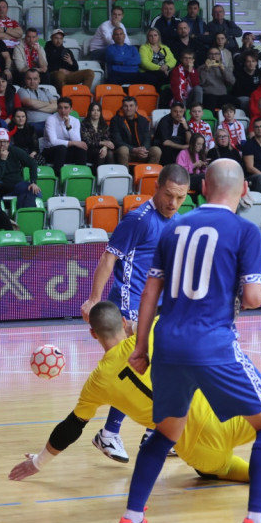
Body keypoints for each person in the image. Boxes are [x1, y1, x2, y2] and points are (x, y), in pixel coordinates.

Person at [9, 301, 261, 489]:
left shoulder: (97, 382)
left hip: (194, 446)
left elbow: (71, 428)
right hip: (227, 414)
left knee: (212, 470)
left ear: (93, 336)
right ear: (125, 323)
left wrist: (38, 462)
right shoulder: (151, 336)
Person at [117, 159, 261, 523]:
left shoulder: (173, 227)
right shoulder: (245, 229)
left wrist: (141, 347)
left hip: (168, 344)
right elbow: (255, 298)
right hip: (212, 345)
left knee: (166, 431)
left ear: (202, 187)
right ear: (244, 191)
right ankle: (256, 521)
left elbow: (149, 293)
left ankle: (132, 518)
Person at [80, 164, 189, 464]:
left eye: (180, 198)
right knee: (140, 371)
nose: (173, 203)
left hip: (158, 308)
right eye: (168, 195)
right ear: (157, 188)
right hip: (129, 306)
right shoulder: (138, 219)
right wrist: (93, 300)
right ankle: (114, 433)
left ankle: (146, 431)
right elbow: (108, 257)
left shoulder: (177, 221)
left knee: (159, 373)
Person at [0, 129, 42, 208]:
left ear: (8, 143)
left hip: (17, 184)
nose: (2, 144)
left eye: (5, 141)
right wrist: (2, 160)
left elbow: (33, 163)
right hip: (1, 185)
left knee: (35, 192)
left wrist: (33, 182)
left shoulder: (15, 150)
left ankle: (22, 216)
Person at [110, 96, 162, 165]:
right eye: (125, 106)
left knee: (156, 151)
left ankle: (147, 173)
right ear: (122, 108)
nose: (128, 109)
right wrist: (134, 150)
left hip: (141, 152)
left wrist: (143, 149)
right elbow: (117, 141)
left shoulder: (143, 120)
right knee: (123, 150)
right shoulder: (115, 120)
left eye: (131, 106)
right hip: (127, 152)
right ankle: (125, 175)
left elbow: (147, 138)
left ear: (136, 108)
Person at [43, 96, 88, 170]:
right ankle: (58, 175)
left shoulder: (75, 121)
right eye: (60, 108)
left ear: (71, 109)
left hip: (66, 152)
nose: (63, 110)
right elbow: (53, 141)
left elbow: (77, 141)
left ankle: (80, 174)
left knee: (81, 149)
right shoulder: (51, 119)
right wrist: (73, 143)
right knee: (62, 148)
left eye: (66, 108)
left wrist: (68, 126)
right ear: (57, 109)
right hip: (50, 151)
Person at [18, 69, 58, 133]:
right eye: (29, 79)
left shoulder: (45, 90)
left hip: (50, 122)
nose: (32, 81)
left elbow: (56, 106)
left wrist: (35, 107)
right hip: (34, 123)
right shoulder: (22, 90)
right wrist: (49, 103)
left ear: (39, 80)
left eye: (35, 79)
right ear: (25, 80)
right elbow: (30, 103)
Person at [199, 45, 235, 111]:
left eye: (216, 54)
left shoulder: (224, 67)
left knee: (234, 101)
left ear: (220, 56)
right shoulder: (202, 68)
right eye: (211, 54)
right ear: (208, 56)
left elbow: (232, 82)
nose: (213, 56)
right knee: (210, 100)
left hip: (222, 94)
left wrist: (223, 70)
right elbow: (200, 83)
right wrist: (206, 70)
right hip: (208, 94)